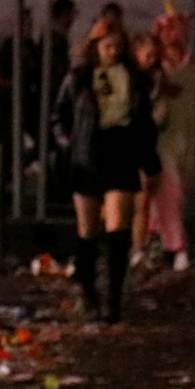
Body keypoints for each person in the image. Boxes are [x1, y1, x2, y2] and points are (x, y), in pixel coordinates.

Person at [56, 27, 159, 323]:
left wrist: (149, 162)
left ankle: (113, 296)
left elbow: (144, 122)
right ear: (95, 47)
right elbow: (59, 117)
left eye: (117, 46)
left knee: (118, 226)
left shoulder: (135, 78)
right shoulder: (78, 78)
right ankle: (88, 289)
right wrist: (70, 143)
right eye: (106, 46)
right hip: (88, 152)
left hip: (121, 149)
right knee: (87, 229)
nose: (112, 52)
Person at [137, 10, 195, 271]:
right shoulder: (154, 70)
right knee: (169, 189)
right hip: (162, 139)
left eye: (177, 29)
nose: (173, 34)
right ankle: (178, 246)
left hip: (189, 138)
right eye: (167, 29)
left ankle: (155, 239)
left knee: (177, 192)